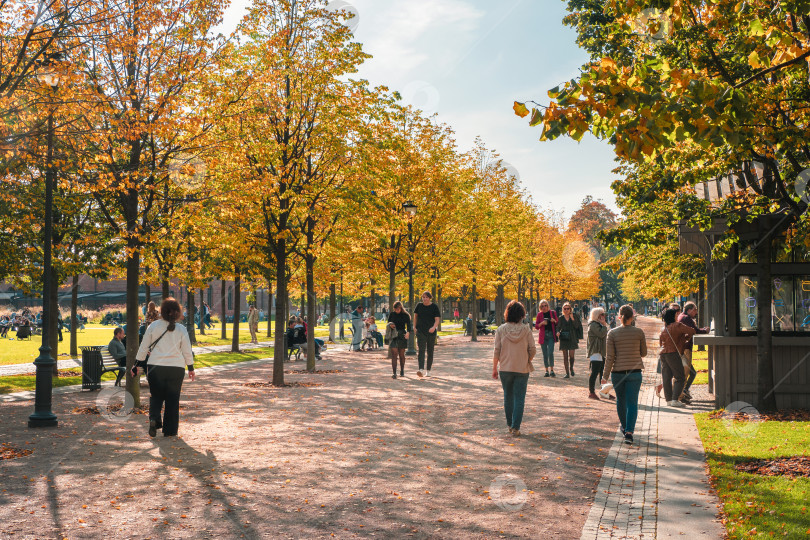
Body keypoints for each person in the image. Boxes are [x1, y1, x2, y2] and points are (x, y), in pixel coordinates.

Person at [134, 298, 196, 438]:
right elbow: (187, 350)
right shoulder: (181, 329)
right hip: (176, 368)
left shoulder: (154, 326)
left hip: (156, 366)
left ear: (162, 311)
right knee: (173, 399)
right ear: (177, 313)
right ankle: (170, 430)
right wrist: (191, 368)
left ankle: (154, 418)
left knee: (156, 396)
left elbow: (143, 347)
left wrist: (136, 364)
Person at [602, 305, 647, 445]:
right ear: (632, 317)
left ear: (619, 316)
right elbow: (643, 353)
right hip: (635, 372)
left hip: (618, 373)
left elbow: (610, 357)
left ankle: (624, 426)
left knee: (621, 401)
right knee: (632, 402)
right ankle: (629, 432)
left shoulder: (612, 333)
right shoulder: (639, 333)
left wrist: (604, 376)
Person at [492, 300, 536, 437]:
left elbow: (496, 351)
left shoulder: (500, 329)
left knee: (508, 397)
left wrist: (494, 367)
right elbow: (533, 349)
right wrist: (527, 359)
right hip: (522, 368)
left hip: (505, 367)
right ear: (522, 314)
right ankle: (516, 426)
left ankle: (509, 424)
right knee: (519, 398)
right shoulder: (526, 329)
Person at [660, 308, 697, 407]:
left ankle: (668, 400)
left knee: (666, 377)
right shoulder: (678, 325)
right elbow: (692, 330)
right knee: (680, 377)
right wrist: (686, 338)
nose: (677, 316)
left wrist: (683, 338)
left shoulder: (665, 327)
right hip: (673, 353)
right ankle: (675, 400)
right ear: (673, 316)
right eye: (676, 315)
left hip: (663, 354)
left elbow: (661, 341)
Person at [677, 302, 709, 401]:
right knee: (686, 373)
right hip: (686, 349)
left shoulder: (682, 317)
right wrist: (705, 330)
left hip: (684, 348)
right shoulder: (686, 318)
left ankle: (682, 393)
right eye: (695, 310)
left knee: (691, 372)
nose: (696, 312)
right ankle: (680, 395)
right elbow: (694, 330)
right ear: (689, 310)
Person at [413, 291, 441, 377]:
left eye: (426, 297)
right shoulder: (419, 306)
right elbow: (415, 317)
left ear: (429, 298)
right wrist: (414, 327)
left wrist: (433, 327)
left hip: (431, 332)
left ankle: (428, 370)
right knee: (421, 350)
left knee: (430, 351)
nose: (425, 299)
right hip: (420, 331)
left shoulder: (434, 307)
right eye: (423, 297)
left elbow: (437, 320)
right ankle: (421, 369)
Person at [586, 307, 609, 400]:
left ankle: (604, 392)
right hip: (595, 351)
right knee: (595, 372)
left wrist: (603, 325)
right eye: (602, 314)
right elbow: (601, 334)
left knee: (601, 373)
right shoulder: (593, 325)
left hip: (601, 351)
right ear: (597, 316)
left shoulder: (598, 324)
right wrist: (604, 325)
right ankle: (591, 392)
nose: (604, 316)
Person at [557, 302, 583, 378]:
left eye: (568, 308)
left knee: (571, 356)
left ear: (570, 309)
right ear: (563, 309)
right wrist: (558, 332)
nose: (566, 310)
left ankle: (571, 367)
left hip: (572, 337)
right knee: (565, 356)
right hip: (564, 337)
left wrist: (572, 318)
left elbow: (577, 326)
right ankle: (567, 373)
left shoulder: (574, 316)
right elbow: (558, 327)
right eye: (564, 309)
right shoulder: (561, 318)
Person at [387, 301, 412, 379]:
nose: (397, 310)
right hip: (394, 335)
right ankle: (394, 373)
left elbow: (409, 326)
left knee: (401, 354)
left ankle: (402, 370)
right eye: (395, 309)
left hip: (401, 335)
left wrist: (408, 332)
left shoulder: (405, 315)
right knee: (394, 354)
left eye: (398, 308)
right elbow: (388, 323)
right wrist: (390, 325)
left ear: (401, 308)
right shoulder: (392, 314)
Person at [534, 299, 558, 377]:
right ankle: (546, 371)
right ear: (540, 307)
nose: (544, 307)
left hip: (551, 335)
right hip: (543, 336)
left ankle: (552, 370)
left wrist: (554, 321)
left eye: (545, 305)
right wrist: (542, 323)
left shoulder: (553, 313)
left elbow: (557, 323)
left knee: (550, 353)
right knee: (545, 354)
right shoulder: (539, 314)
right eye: (542, 306)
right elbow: (536, 326)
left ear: (548, 306)